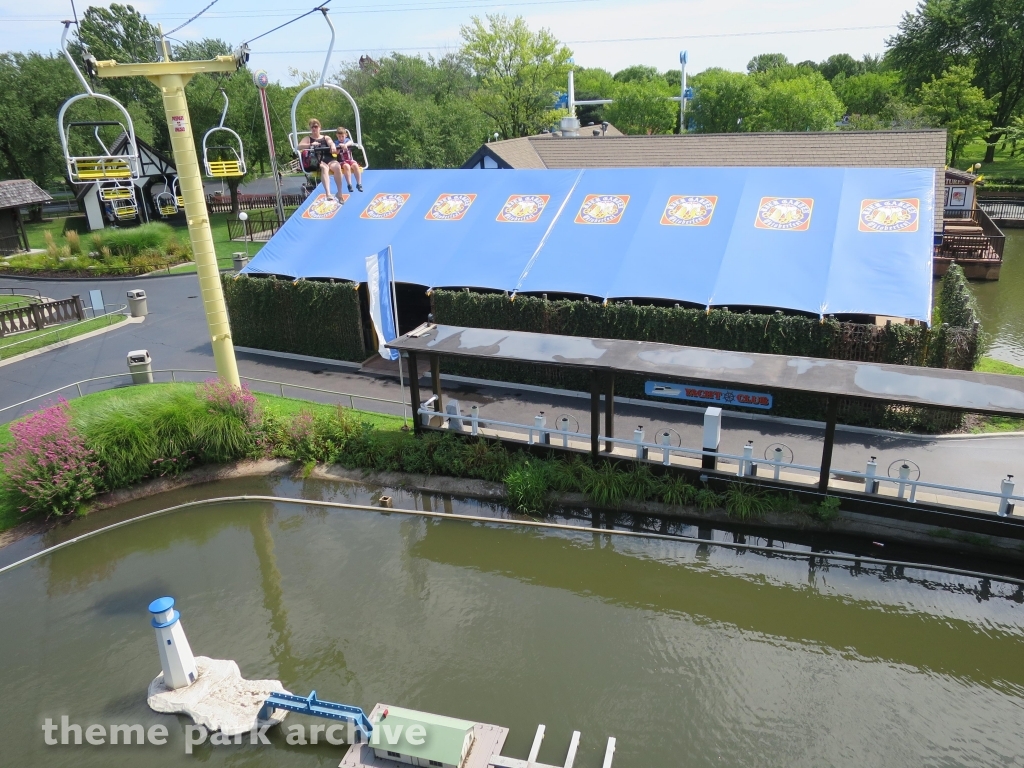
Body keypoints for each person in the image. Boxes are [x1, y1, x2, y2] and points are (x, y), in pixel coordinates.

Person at [298, 118, 345, 204]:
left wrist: (333, 146)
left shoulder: (325, 137)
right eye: (312, 127)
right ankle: (328, 194)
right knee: (324, 168)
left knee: (337, 166)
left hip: (328, 158)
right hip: (316, 159)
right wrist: (311, 145)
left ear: (319, 127)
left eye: (316, 126)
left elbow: (330, 142)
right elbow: (299, 146)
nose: (314, 129)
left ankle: (340, 193)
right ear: (310, 128)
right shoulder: (308, 138)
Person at [335, 127, 363, 193]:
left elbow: (351, 142)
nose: (341, 138)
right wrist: (339, 147)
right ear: (337, 136)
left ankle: (359, 183)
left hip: (349, 159)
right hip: (342, 161)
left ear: (346, 135)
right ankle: (349, 184)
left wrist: (345, 145)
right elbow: (336, 153)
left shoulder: (347, 140)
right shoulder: (336, 143)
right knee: (346, 166)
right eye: (339, 137)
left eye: (342, 136)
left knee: (356, 165)